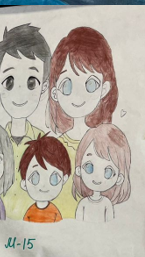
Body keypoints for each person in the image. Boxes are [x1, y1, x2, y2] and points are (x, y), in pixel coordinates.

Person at [47, 27, 117, 219]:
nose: (78, 95)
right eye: (67, 85)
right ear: (55, 92)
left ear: (104, 89)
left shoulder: (105, 145)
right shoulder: (53, 146)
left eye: (90, 84)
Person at [0, 24, 51, 219]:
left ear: (44, 88)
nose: (20, 93)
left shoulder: (45, 144)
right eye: (9, 82)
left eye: (31, 82)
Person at [73, 124, 131, 222]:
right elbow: (77, 223)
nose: (97, 177)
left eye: (108, 172)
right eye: (89, 167)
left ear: (119, 178)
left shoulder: (106, 204)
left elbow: (110, 223)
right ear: (79, 170)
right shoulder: (83, 203)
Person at [19, 135, 71, 223]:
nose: (43, 185)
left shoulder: (54, 212)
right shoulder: (30, 212)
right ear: (24, 184)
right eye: (34, 178)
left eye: (54, 178)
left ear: (64, 179)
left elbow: (59, 228)